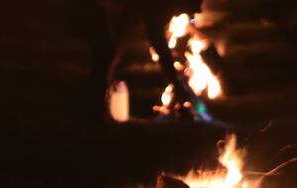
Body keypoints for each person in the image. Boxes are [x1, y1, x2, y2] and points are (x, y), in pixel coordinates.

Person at [64, 0, 210, 121]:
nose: (197, 11)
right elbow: (159, 45)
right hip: (84, 4)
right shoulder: (156, 5)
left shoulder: (152, 6)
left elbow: (128, 21)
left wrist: (115, 57)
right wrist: (177, 85)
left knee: (107, 53)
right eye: (194, 5)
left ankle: (96, 110)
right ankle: (92, 113)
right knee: (104, 53)